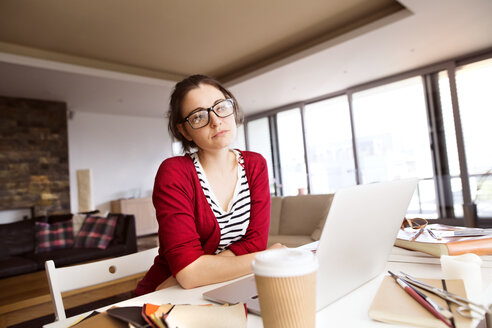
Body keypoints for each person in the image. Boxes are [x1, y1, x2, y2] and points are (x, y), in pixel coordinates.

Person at [134, 74, 284, 296]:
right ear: (184, 131)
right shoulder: (174, 173)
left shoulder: (255, 165)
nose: (215, 121)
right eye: (198, 117)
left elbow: (255, 242)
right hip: (162, 298)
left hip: (217, 289)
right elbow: (189, 273)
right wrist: (265, 259)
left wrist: (196, 272)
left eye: (221, 107)